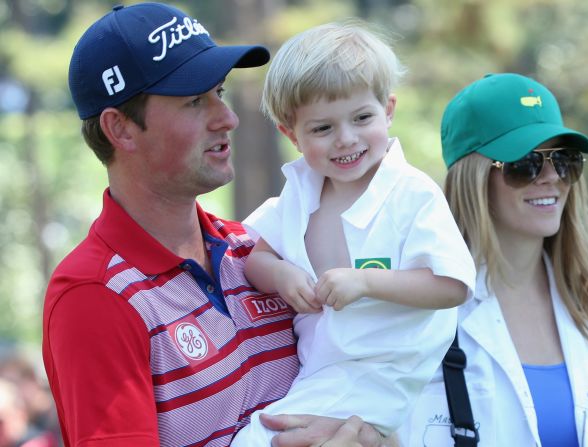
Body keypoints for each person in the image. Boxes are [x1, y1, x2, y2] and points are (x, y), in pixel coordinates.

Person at [42, 3, 388, 447]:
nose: (227, 118)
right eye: (193, 101)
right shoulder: (94, 295)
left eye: (219, 92)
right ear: (121, 129)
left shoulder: (256, 249)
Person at [232, 22, 476, 445]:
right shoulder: (300, 192)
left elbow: (452, 286)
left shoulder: (411, 194)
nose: (346, 140)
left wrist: (365, 281)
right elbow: (256, 256)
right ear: (291, 134)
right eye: (322, 128)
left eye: (362, 118)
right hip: (321, 373)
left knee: (256, 441)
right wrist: (282, 276)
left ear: (389, 109)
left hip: (378, 375)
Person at [398, 73, 588, 446]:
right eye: (526, 163)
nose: (551, 178)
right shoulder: (421, 317)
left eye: (564, 160)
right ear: (474, 179)